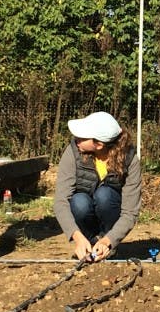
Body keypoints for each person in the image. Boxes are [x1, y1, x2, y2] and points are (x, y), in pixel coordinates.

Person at [53, 111, 142, 262]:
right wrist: (77, 237)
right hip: (84, 209)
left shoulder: (130, 159)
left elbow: (130, 212)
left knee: (104, 195)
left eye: (82, 137)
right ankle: (88, 244)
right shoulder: (73, 152)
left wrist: (109, 240)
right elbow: (61, 202)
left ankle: (106, 246)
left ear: (99, 144)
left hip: (111, 211)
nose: (77, 140)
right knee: (79, 201)